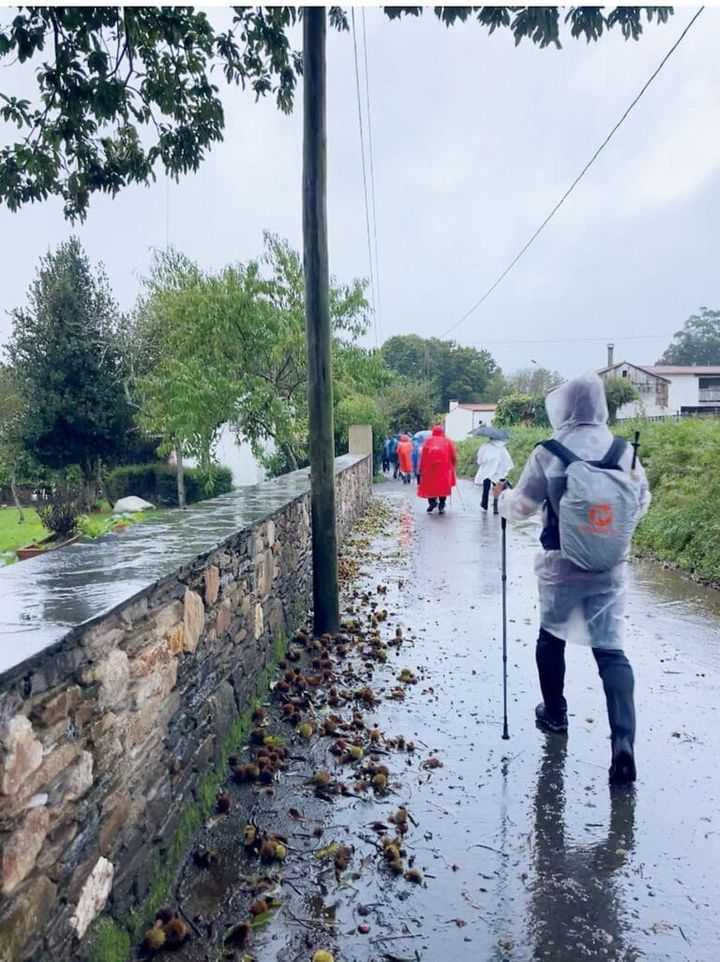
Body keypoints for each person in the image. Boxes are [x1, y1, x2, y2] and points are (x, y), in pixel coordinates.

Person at [494, 372, 650, 784]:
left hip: (561, 567)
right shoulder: (624, 452)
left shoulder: (549, 452)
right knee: (611, 651)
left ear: (563, 406)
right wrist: (604, 535)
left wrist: (502, 499)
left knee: (551, 637)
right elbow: (641, 502)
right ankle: (623, 742)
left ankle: (555, 714)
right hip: (608, 569)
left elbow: (522, 507)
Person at [417, 425, 457, 514]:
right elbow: (453, 455)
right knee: (443, 486)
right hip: (444, 468)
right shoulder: (448, 441)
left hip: (430, 469)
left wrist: (421, 468)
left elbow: (423, 456)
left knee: (430, 486)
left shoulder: (428, 441)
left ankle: (432, 501)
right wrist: (453, 465)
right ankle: (441, 505)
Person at [474, 439, 514, 514]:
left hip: (487, 471)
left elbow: (480, 458)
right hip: (498, 472)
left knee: (486, 488)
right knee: (497, 489)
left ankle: (484, 504)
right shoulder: (502, 448)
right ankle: (496, 507)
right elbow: (506, 459)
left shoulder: (485, 446)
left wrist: (482, 463)